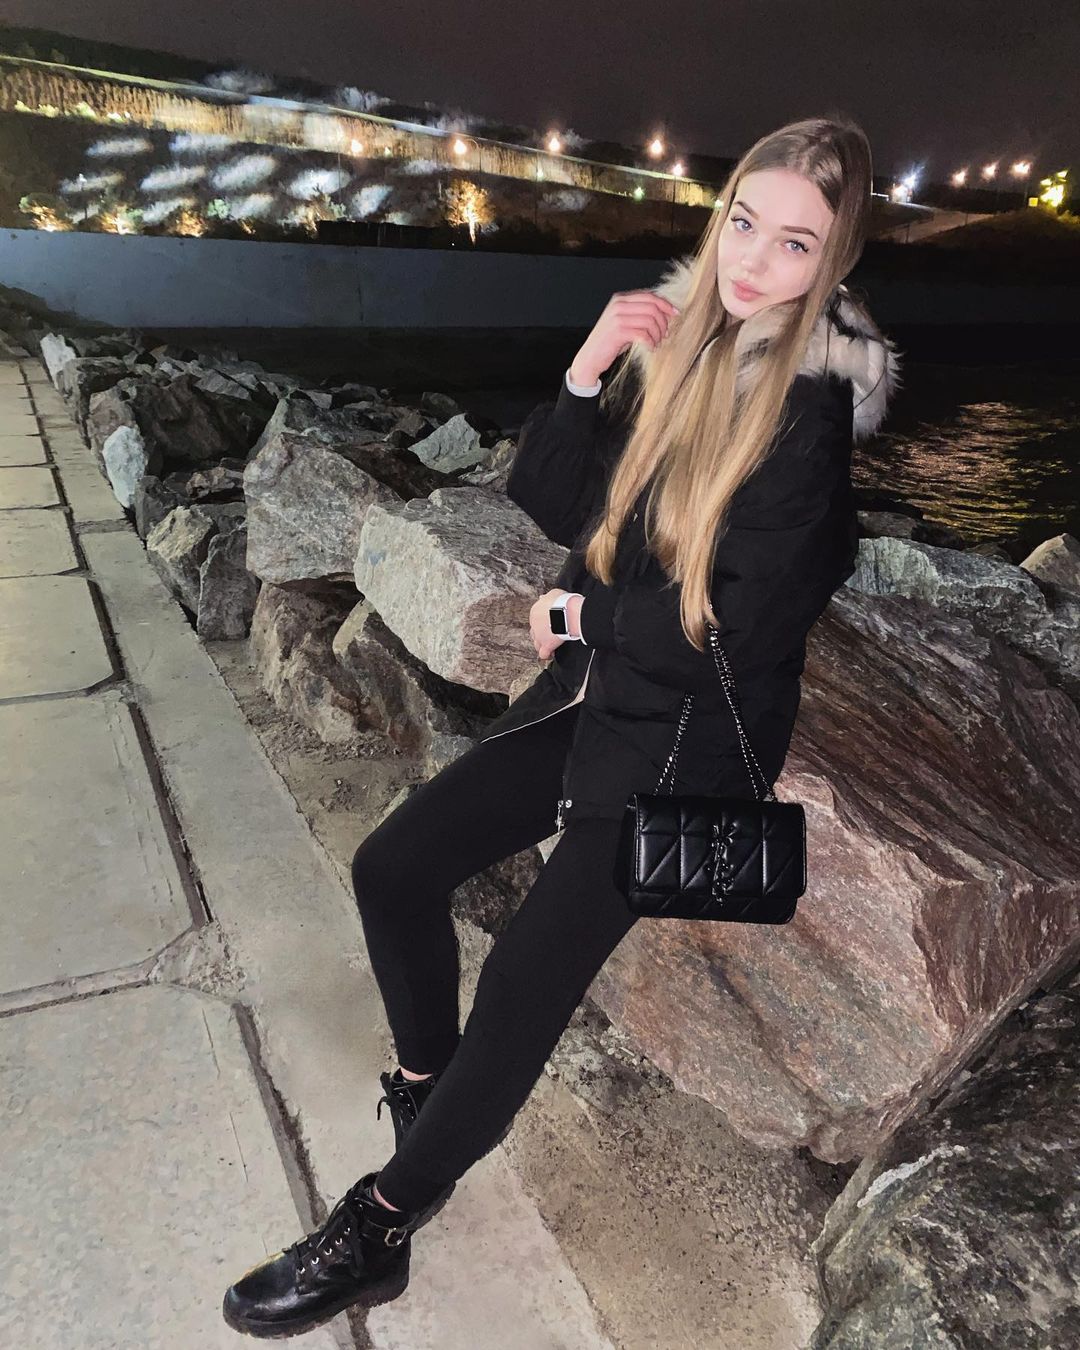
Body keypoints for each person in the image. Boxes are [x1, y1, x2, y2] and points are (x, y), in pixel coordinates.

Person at [222, 114, 901, 1338]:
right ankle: (427, 1093)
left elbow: (739, 627)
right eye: (744, 223)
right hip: (603, 702)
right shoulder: (697, 346)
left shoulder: (804, 420)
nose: (752, 261)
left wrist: (584, 617)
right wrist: (587, 373)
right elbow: (566, 505)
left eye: (794, 244)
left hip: (687, 747)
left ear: (833, 263)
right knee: (394, 868)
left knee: (524, 982)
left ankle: (382, 1225)